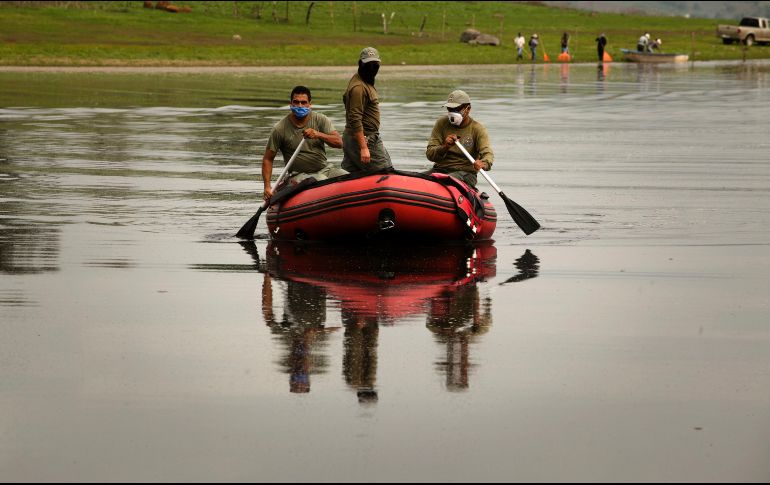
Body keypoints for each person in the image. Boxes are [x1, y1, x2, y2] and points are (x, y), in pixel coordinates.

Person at [262, 85, 345, 200]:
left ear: (309, 104)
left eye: (303, 102)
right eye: (296, 102)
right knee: (321, 181)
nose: (299, 106)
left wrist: (318, 134)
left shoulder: (320, 119)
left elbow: (339, 143)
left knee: (347, 177)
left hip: (325, 169)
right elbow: (268, 159)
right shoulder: (280, 128)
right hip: (298, 175)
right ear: (291, 104)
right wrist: (267, 187)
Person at [425, 90, 494, 189]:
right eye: (449, 109)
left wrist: (483, 164)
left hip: (466, 173)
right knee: (415, 179)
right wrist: (445, 147)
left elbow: (488, 154)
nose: (452, 113)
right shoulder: (441, 123)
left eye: (456, 109)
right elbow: (430, 154)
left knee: (446, 181)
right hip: (440, 170)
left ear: (468, 109)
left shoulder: (477, 129)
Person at [341, 46, 392, 173]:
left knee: (351, 174)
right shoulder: (359, 87)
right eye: (369, 64)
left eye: (375, 65)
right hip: (363, 138)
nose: (372, 68)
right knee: (386, 172)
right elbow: (355, 118)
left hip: (359, 138)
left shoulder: (365, 81)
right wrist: (363, 147)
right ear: (360, 64)